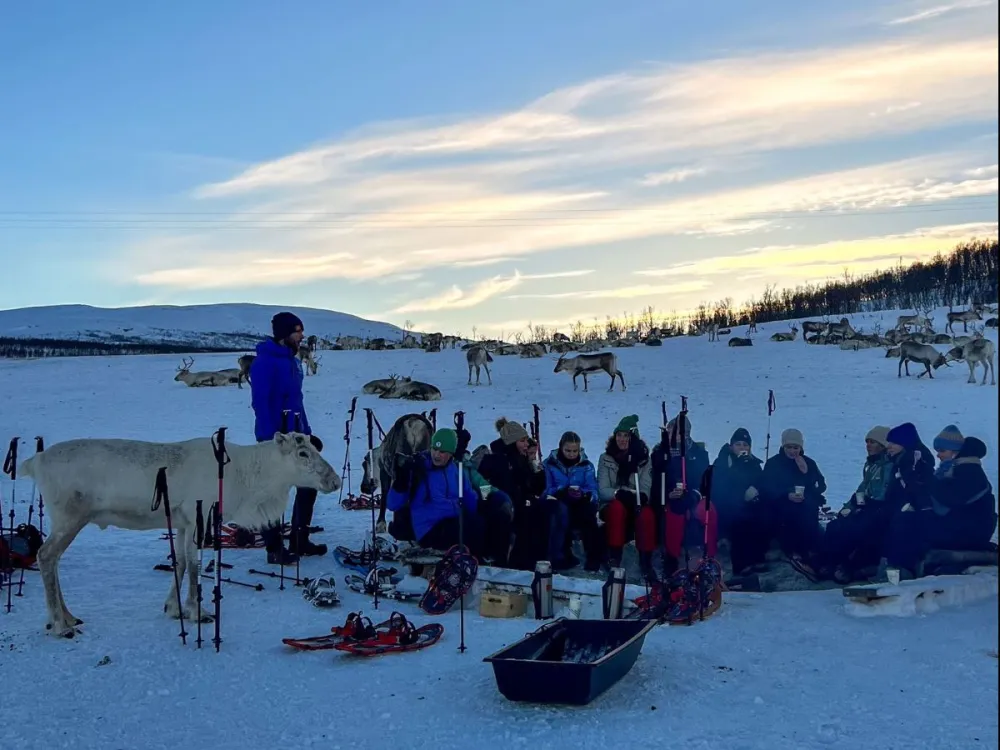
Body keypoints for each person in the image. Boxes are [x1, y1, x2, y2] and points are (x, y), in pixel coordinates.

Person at [249, 311, 326, 565]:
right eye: (297, 331)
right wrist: (275, 439)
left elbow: (296, 401)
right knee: (272, 492)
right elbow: (261, 403)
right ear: (284, 334)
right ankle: (274, 548)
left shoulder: (292, 362)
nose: (301, 335)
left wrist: (307, 433)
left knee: (309, 483)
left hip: (298, 434)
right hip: (275, 438)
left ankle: (299, 539)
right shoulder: (265, 362)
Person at [881, 424, 997, 579]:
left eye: (942, 451)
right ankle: (898, 571)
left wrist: (927, 480)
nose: (938, 456)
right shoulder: (953, 470)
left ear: (955, 453)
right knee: (904, 519)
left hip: (970, 530)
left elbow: (951, 498)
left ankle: (898, 573)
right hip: (959, 524)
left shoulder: (971, 471)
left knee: (907, 523)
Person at [385, 428, 486, 556]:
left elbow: (469, 494)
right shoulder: (419, 468)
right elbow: (392, 504)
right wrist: (401, 481)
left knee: (479, 522)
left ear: (451, 453)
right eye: (434, 449)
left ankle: (483, 560)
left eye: (442, 452)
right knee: (468, 528)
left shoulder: (455, 469)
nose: (436, 455)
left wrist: (482, 505)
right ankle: (473, 561)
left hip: (452, 521)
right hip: (428, 528)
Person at [814, 426, 894, 583]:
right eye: (867, 442)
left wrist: (863, 505)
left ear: (883, 445)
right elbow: (863, 488)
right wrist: (849, 507)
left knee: (855, 530)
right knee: (835, 525)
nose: (868, 445)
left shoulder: (889, 466)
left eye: (873, 442)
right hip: (866, 506)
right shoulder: (873, 465)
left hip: (879, 510)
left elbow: (883, 493)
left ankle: (847, 567)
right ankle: (829, 563)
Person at [477, 417, 549, 570]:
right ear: (512, 441)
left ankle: (536, 560)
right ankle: (515, 562)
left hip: (518, 503)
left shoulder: (521, 459)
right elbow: (485, 486)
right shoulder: (495, 460)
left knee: (543, 510)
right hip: (500, 506)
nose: (526, 444)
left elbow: (531, 488)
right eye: (522, 440)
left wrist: (539, 474)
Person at [759, 428, 827, 577]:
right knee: (786, 513)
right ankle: (791, 550)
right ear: (783, 447)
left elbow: (821, 485)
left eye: (795, 447)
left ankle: (809, 551)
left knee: (808, 511)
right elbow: (766, 486)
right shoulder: (774, 463)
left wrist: (807, 474)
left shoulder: (808, 463)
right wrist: (786, 494)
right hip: (780, 502)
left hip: (804, 502)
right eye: (789, 447)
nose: (792, 451)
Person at [653, 415, 714, 578]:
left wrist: (694, 493)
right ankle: (671, 559)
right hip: (671, 497)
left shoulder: (699, 453)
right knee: (674, 514)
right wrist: (668, 494)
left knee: (709, 511)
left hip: (695, 495)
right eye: (670, 431)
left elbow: (703, 480)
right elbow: (657, 479)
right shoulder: (661, 452)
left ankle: (709, 556)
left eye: (678, 432)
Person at [597, 415, 654, 578]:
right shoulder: (606, 458)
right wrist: (618, 493)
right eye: (619, 435)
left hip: (635, 501)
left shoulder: (643, 460)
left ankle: (646, 561)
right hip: (612, 502)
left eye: (626, 436)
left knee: (647, 515)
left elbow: (646, 488)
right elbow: (603, 489)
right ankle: (614, 557)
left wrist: (639, 497)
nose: (622, 439)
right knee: (616, 508)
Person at [542, 431, 602, 571]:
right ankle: (561, 554)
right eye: (568, 450)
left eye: (575, 450)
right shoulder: (549, 464)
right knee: (560, 512)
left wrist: (585, 494)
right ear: (561, 448)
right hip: (558, 501)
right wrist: (562, 491)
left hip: (580, 501)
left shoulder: (586, 465)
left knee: (588, 513)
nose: (571, 454)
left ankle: (593, 556)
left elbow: (593, 489)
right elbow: (546, 488)